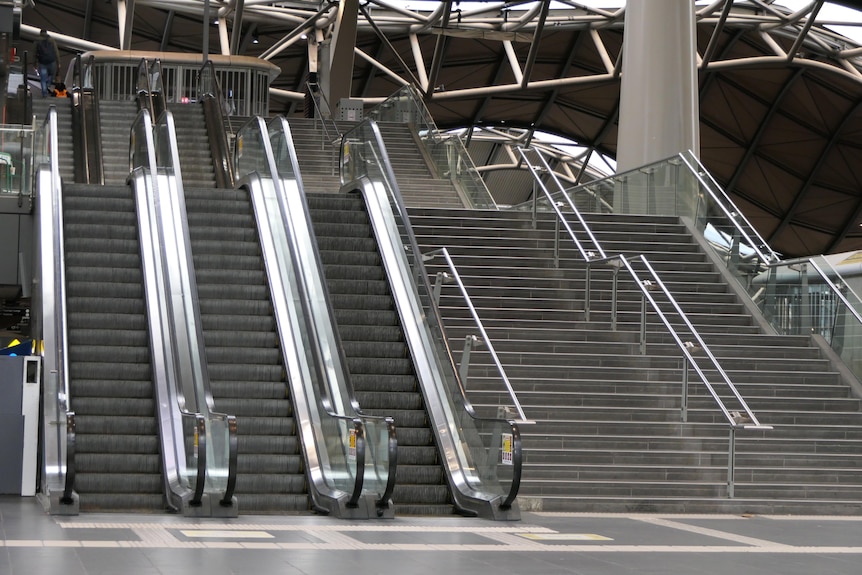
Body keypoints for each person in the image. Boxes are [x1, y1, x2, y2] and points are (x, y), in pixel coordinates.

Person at [35, 29, 59, 98]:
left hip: (42, 62)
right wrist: (58, 62)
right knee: (51, 74)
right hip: (51, 61)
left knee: (43, 79)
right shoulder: (52, 40)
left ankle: (44, 94)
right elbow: (56, 51)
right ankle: (48, 83)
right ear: (46, 33)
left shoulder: (37, 41)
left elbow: (34, 53)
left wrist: (34, 63)